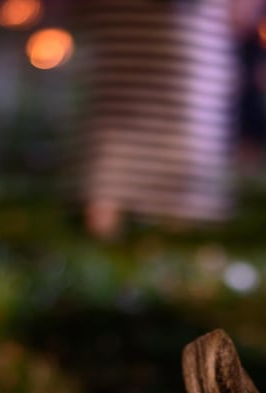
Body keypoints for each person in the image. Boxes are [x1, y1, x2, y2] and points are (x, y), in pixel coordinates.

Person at [73, 0, 241, 239]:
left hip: (148, 63)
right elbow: (241, 16)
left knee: (118, 175)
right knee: (172, 184)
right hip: (175, 65)